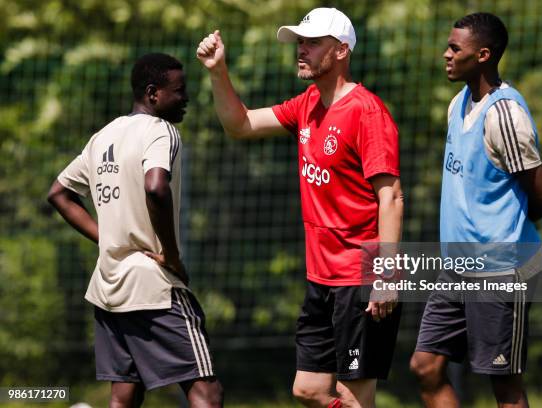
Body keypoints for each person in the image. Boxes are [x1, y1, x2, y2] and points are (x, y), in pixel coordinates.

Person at [197, 7, 403, 408]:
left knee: (353, 395)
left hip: (358, 277)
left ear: (341, 50)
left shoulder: (366, 111)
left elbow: (391, 196)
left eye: (312, 42)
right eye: (300, 42)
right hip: (321, 278)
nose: (301, 50)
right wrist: (218, 72)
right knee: (307, 390)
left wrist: (387, 275)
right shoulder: (307, 103)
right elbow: (239, 125)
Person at [47, 53, 223, 408]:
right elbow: (156, 186)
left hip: (108, 284)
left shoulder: (103, 136)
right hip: (153, 284)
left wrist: (108, 239)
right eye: (179, 90)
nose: (186, 98)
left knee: (124, 394)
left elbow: (59, 194)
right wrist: (171, 256)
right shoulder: (161, 131)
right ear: (153, 93)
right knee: (206, 390)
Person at [409, 12, 542, 408]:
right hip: (454, 268)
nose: (446, 54)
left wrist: (499, 238)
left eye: (456, 48)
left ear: (484, 55)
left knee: (504, 386)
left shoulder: (504, 115)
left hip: (498, 270)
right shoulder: (458, 104)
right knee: (425, 366)